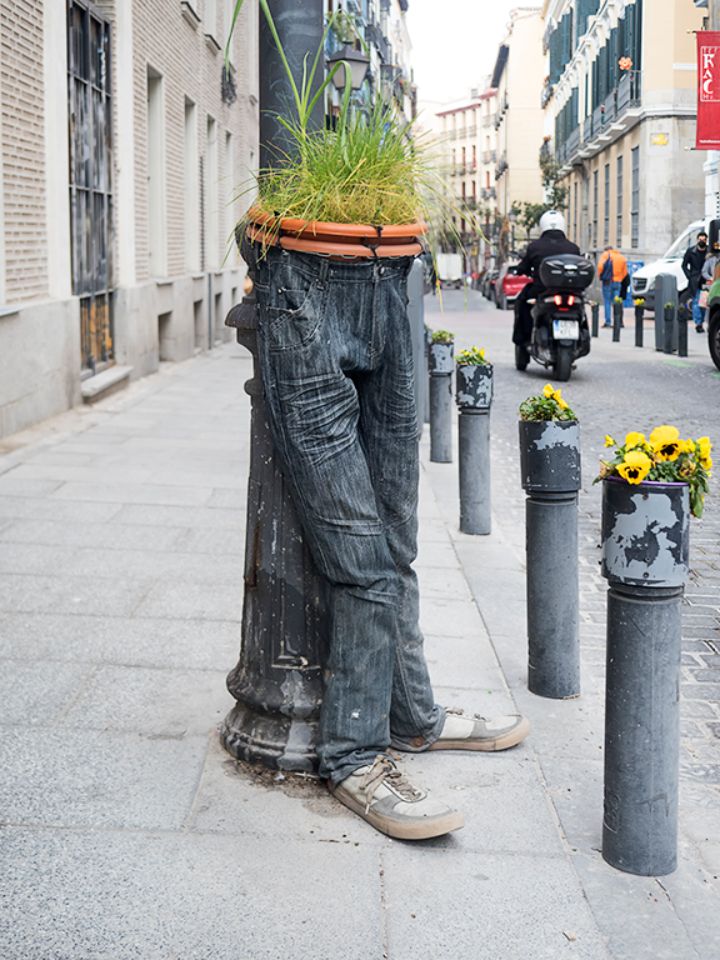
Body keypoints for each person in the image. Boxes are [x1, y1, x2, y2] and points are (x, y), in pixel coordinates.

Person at [243, 236, 530, 842]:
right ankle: (353, 755)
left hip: (387, 281)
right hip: (301, 294)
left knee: (397, 550)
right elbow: (257, 223)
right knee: (365, 566)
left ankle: (412, 716)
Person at [512, 210, 580, 347]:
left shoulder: (534, 247)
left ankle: (524, 339)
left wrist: (519, 271)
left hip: (541, 291)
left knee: (522, 303)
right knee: (581, 308)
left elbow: (523, 267)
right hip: (571, 292)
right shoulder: (573, 248)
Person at [682, 231, 709, 333]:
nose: (702, 241)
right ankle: (698, 323)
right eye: (700, 239)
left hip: (705, 280)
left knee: (704, 303)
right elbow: (684, 265)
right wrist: (689, 276)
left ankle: (701, 322)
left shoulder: (709, 252)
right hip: (694, 280)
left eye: (704, 239)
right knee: (696, 302)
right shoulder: (691, 251)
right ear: (697, 239)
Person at [597, 245, 628, 328]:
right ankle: (617, 321)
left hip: (607, 281)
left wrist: (600, 276)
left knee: (607, 302)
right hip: (618, 282)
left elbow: (600, 266)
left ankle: (608, 322)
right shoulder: (621, 257)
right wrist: (619, 278)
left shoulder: (605, 255)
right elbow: (625, 272)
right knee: (617, 302)